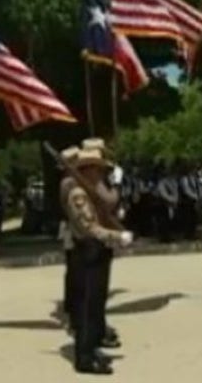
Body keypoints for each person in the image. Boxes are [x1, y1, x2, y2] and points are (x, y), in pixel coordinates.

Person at [65, 149, 134, 375]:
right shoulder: (78, 193)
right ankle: (84, 356)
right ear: (86, 170)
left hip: (98, 251)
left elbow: (106, 209)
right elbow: (89, 228)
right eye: (96, 168)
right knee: (87, 306)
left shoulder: (92, 190)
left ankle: (92, 347)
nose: (100, 172)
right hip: (88, 250)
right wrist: (117, 236)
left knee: (96, 303)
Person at [58, 146, 80, 331]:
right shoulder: (69, 182)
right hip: (73, 229)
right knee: (75, 270)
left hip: (74, 228)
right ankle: (74, 311)